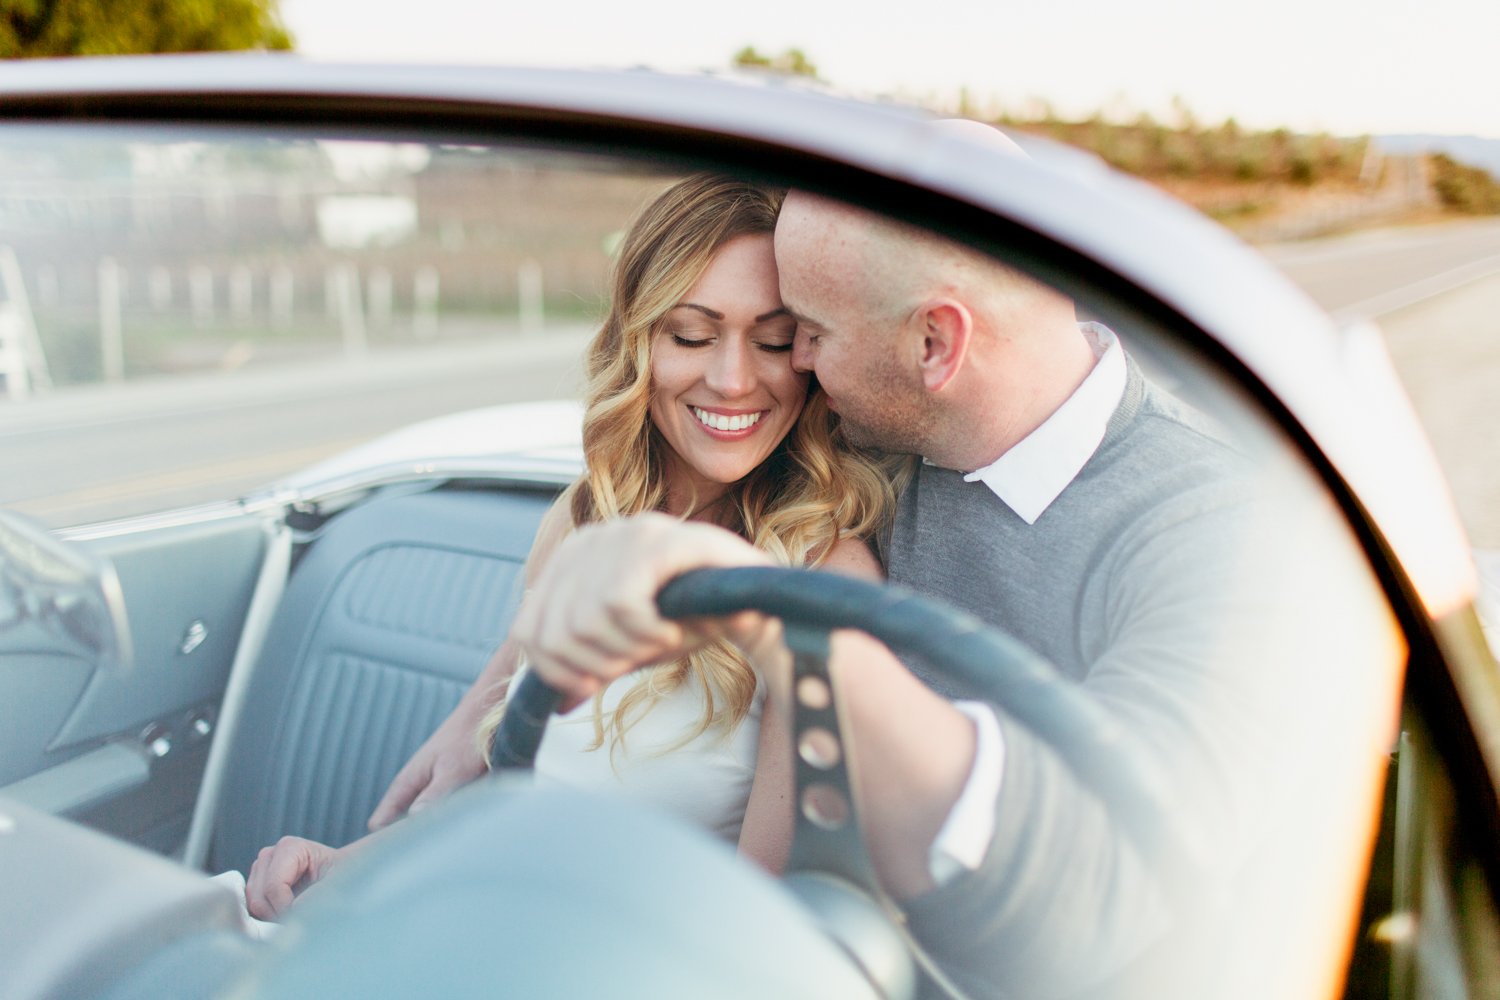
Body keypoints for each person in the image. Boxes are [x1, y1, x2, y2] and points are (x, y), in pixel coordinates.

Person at [496, 159, 1402, 996]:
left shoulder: (1232, 537)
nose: (789, 373)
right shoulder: (881, 443)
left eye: (804, 333)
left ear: (936, 345)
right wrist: (494, 707)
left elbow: (1101, 888)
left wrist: (774, 619)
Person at [242, 174, 901, 920]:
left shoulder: (822, 582)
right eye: (690, 335)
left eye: (775, 340)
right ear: (639, 341)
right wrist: (340, 868)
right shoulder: (584, 518)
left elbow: (754, 924)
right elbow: (519, 796)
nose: (732, 379)